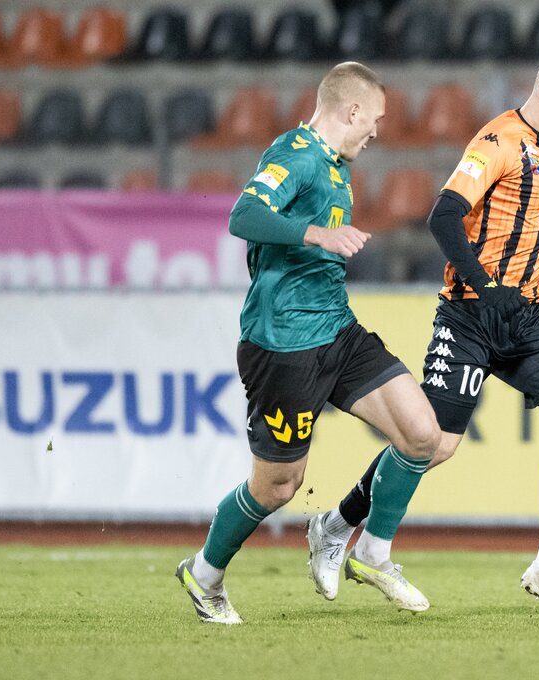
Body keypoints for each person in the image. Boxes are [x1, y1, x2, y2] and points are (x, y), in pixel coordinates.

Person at [306, 47, 539, 618]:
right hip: (471, 315)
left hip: (528, 316)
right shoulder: (497, 141)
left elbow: (536, 207)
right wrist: (485, 286)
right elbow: (443, 214)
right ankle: (338, 525)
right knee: (435, 444)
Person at [175, 62, 441, 624]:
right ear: (352, 110)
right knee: (277, 487)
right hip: (283, 343)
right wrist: (317, 233)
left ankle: (363, 548)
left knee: (422, 435)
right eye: (375, 118)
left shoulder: (337, 166)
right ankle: (204, 573)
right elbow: (244, 214)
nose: (378, 130)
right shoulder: (295, 155)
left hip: (338, 329)